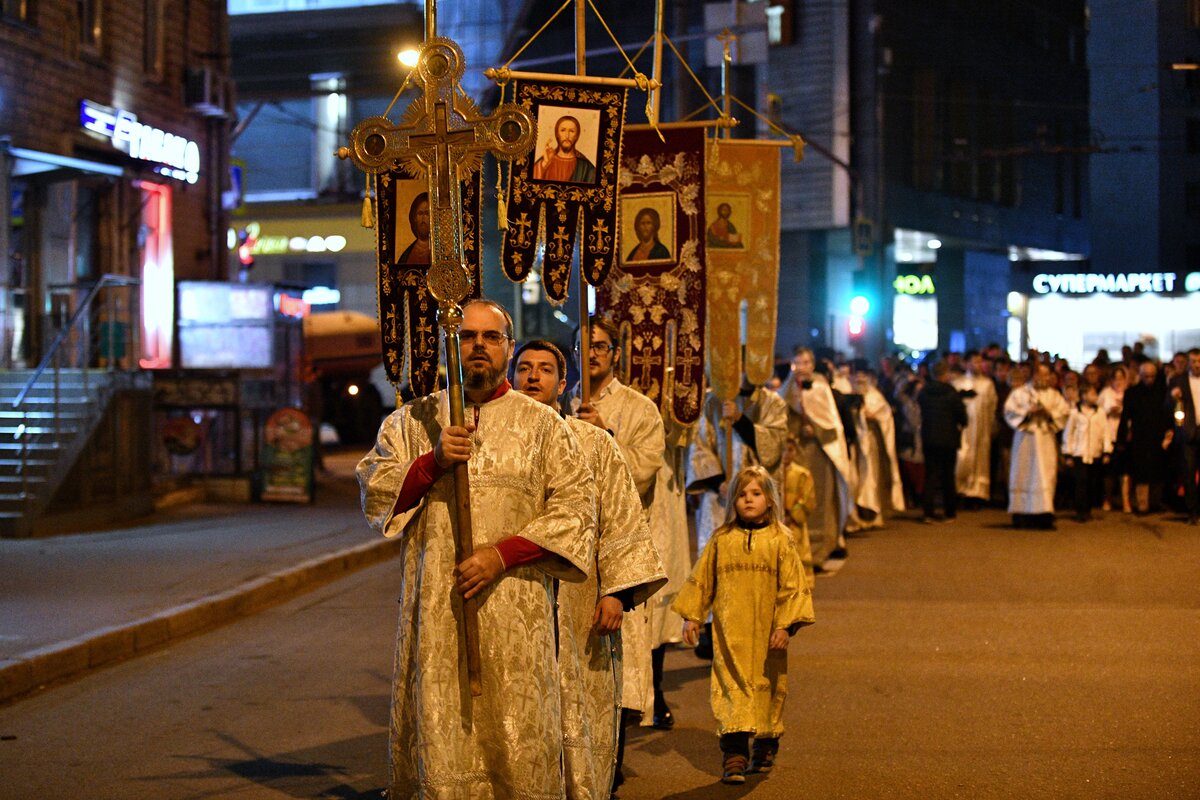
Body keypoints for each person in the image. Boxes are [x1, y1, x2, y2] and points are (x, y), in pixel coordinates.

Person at [356, 298, 597, 797]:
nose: (479, 347)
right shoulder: (412, 421)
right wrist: (433, 461)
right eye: (467, 337)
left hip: (517, 610)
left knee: (518, 736)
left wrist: (500, 554)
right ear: (451, 346)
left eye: (491, 337)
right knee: (445, 730)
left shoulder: (545, 426)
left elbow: (576, 509)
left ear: (508, 347)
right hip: (438, 616)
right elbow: (377, 491)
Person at [512, 339, 667, 798]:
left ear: (563, 383)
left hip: (578, 599)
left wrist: (617, 592)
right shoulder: (486, 441)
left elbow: (620, 517)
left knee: (580, 706)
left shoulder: (594, 443)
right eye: (524, 368)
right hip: (513, 602)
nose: (533, 377)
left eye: (544, 369)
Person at [571, 317, 690, 772]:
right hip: (576, 544)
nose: (593, 354)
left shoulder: (640, 409)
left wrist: (606, 437)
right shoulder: (560, 402)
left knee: (618, 652)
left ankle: (612, 755)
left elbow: (643, 471)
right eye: (584, 346)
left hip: (621, 538)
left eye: (600, 346)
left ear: (616, 352)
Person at [673, 465, 815, 784]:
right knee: (730, 690)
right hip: (730, 636)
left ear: (770, 500)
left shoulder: (781, 540)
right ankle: (734, 754)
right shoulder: (722, 540)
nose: (748, 500)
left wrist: (785, 626)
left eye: (756, 493)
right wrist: (693, 615)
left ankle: (765, 745)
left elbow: (794, 587)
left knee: (769, 689)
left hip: (768, 637)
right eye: (741, 494)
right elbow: (702, 579)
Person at [780, 347, 854, 570]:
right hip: (797, 453)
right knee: (795, 500)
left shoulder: (821, 388)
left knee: (819, 501)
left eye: (805, 362)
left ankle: (820, 551)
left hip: (819, 453)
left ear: (812, 365)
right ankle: (796, 552)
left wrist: (816, 430)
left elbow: (832, 425)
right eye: (797, 362)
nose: (801, 367)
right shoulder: (787, 390)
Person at [1005, 362, 1070, 529]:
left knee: (1045, 474)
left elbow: (1063, 412)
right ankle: (1021, 514)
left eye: (1046, 375)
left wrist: (1048, 414)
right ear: (1033, 375)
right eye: (1040, 375)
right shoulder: (1019, 393)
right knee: (1023, 473)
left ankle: (1044, 515)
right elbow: (1009, 411)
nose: (1043, 378)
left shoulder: (1054, 395)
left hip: (1045, 439)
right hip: (1025, 440)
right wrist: (1028, 413)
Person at [852, 368, 906, 527]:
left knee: (872, 478)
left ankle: (874, 515)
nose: (859, 383)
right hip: (857, 444)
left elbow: (883, 415)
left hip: (872, 444)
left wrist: (868, 416)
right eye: (857, 380)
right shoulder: (852, 395)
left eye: (863, 380)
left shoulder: (875, 396)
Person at [917, 361, 968, 523]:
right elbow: (961, 414)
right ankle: (949, 511)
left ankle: (928, 512)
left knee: (930, 475)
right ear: (944, 375)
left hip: (929, 437)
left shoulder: (924, 392)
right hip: (948, 438)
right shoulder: (951, 392)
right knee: (948, 475)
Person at [1118, 359, 1170, 514]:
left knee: (1158, 470)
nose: (1149, 379)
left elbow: (1166, 414)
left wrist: (1168, 432)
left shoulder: (1161, 392)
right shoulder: (1132, 393)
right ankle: (1142, 503)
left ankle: (1155, 501)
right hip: (1139, 437)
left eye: (1152, 376)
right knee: (1141, 472)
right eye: (1146, 376)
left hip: (1158, 437)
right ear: (1140, 375)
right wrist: (1122, 438)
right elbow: (1125, 417)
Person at [955, 350, 998, 510]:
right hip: (964, 429)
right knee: (963, 457)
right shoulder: (958, 383)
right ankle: (960, 490)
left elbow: (992, 406)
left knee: (980, 460)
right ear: (966, 363)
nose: (978, 365)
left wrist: (991, 425)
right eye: (974, 361)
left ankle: (977, 494)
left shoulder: (987, 384)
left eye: (980, 362)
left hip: (981, 430)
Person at [1062, 383, 1112, 522]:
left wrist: (1107, 451)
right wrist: (1068, 453)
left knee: (1092, 482)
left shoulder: (1100, 412)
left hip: (1094, 453)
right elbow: (1069, 433)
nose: (1095, 397)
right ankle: (1080, 510)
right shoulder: (1075, 412)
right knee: (1081, 482)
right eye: (1092, 394)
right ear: (1084, 396)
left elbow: (1105, 432)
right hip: (1079, 452)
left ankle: (1088, 508)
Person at [1165, 347, 1200, 525]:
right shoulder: (1178, 381)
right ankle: (1192, 511)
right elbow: (1167, 406)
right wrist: (1173, 397)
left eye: (1199, 361)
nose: (1197, 365)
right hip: (1188, 432)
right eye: (1194, 361)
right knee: (1188, 472)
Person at [782, 436, 818, 587]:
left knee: (797, 553)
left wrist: (791, 516)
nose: (786, 454)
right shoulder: (769, 473)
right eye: (783, 450)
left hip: (794, 524)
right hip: (776, 522)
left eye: (790, 450)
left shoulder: (802, 473)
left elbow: (807, 499)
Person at [1099, 365, 1131, 513]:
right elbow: (1097, 412)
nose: (1118, 382)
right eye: (1115, 378)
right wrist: (1108, 410)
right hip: (1109, 435)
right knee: (1109, 471)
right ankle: (1107, 498)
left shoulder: (1130, 393)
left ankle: (1126, 500)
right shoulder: (1105, 393)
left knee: (1125, 470)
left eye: (1121, 378)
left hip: (1125, 436)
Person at [533, 115, 597, 183]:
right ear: (557, 134)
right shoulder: (545, 162)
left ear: (577, 135)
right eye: (563, 130)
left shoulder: (586, 167)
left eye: (571, 131)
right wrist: (544, 164)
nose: (567, 136)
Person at [397, 192, 430, 264]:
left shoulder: (441, 252)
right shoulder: (406, 255)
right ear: (414, 218)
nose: (423, 218)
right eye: (420, 213)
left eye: (427, 213)